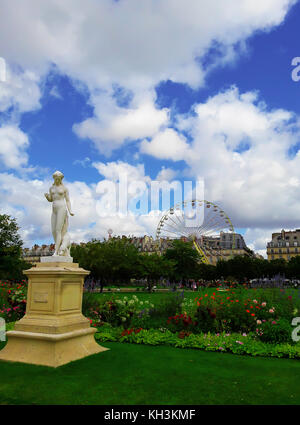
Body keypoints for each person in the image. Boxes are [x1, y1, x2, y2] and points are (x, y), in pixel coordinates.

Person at [44, 171, 74, 256]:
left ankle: (56, 252)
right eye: (55, 179)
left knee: (58, 230)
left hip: (62, 208)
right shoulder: (51, 188)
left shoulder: (64, 188)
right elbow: (51, 199)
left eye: (58, 179)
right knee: (53, 231)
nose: (57, 180)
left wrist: (70, 210)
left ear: (61, 179)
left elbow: (68, 200)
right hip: (54, 209)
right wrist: (47, 197)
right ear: (54, 178)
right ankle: (61, 248)